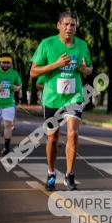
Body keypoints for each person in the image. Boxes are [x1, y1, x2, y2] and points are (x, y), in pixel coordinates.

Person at [30, 11, 93, 191]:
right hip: (52, 98)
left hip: (74, 96)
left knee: (73, 133)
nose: (69, 28)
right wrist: (55, 65)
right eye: (65, 24)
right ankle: (51, 173)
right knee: (53, 138)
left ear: (76, 27)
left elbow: (89, 68)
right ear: (58, 25)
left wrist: (84, 69)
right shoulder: (47, 44)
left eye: (72, 25)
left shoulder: (82, 45)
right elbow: (33, 72)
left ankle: (69, 174)